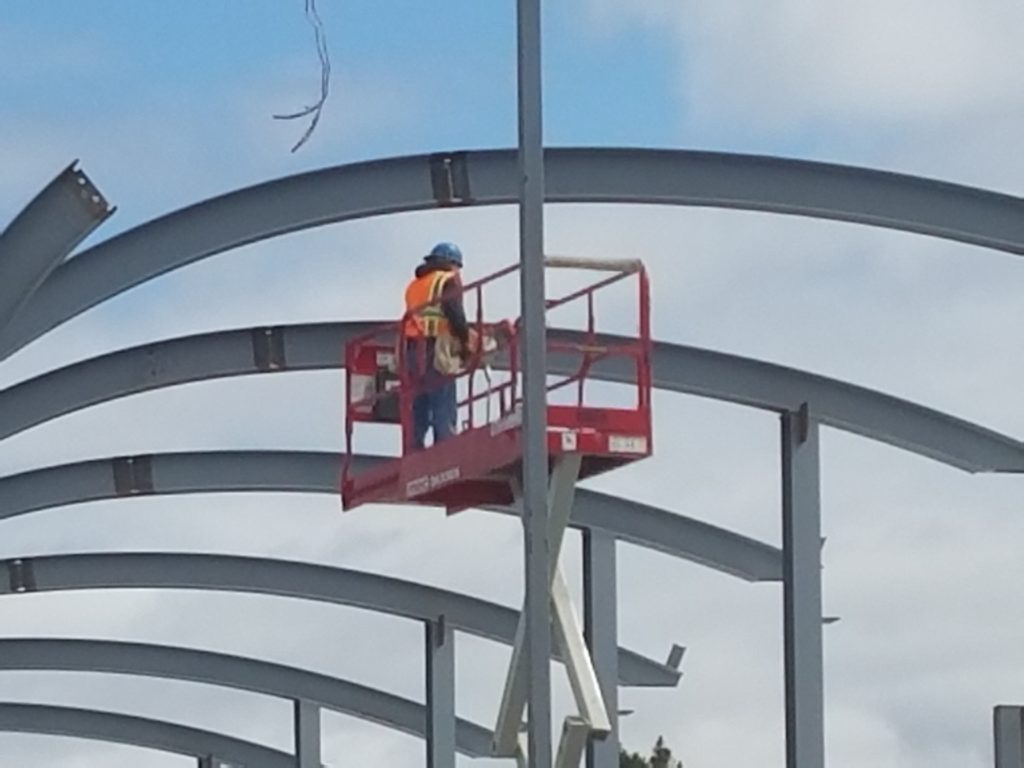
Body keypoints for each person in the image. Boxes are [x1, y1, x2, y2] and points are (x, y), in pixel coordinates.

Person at [402, 242, 471, 449]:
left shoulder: (416, 284)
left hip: (413, 349)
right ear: (452, 263)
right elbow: (455, 314)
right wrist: (465, 342)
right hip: (436, 347)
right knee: (443, 399)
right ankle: (446, 448)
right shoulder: (448, 280)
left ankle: (414, 448)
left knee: (420, 401)